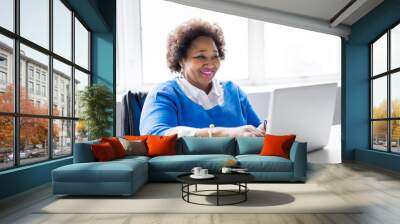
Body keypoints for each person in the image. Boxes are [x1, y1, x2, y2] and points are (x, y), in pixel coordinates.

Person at [140, 19, 266, 137]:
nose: (210, 64)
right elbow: (154, 134)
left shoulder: (234, 91)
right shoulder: (164, 94)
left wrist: (264, 130)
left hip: (237, 161)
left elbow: (256, 129)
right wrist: (222, 133)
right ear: (181, 60)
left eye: (215, 56)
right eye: (201, 57)